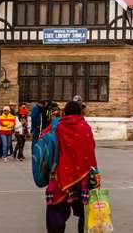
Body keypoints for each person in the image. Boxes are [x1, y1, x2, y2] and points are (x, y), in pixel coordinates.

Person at [45, 100, 99, 233]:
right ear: (80, 112)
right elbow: (90, 149)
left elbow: (44, 144)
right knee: (85, 212)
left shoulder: (56, 126)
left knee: (56, 210)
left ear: (65, 112)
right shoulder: (84, 127)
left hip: (59, 176)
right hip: (83, 177)